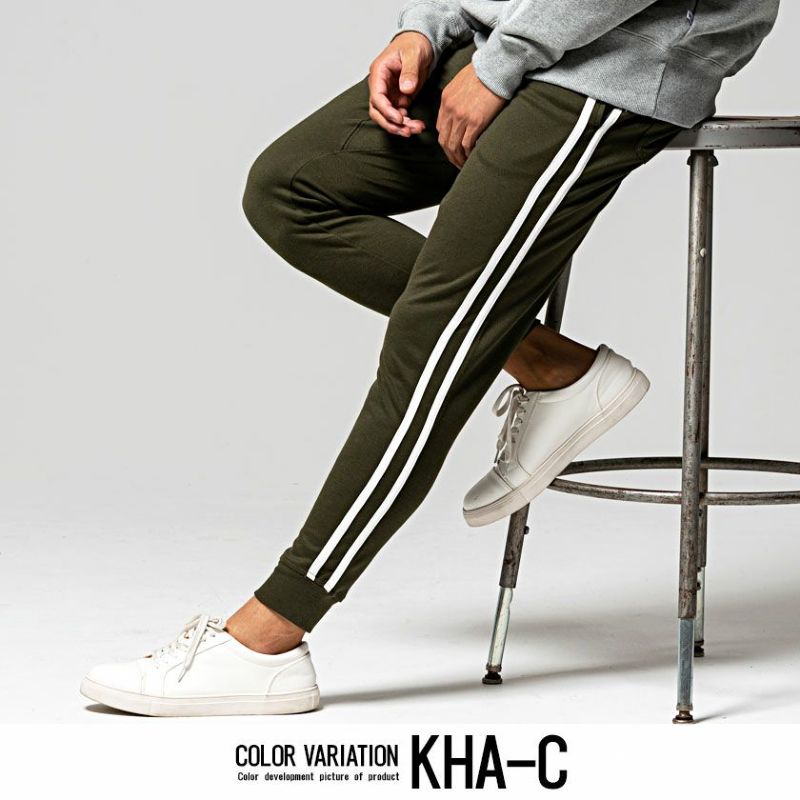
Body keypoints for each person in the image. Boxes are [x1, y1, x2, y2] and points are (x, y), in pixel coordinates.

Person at [81, 0, 780, 716]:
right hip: (503, 42)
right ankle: (549, 364)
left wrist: (504, 61)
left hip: (610, 61)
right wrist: (427, 25)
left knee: (430, 337)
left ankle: (270, 639)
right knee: (290, 189)